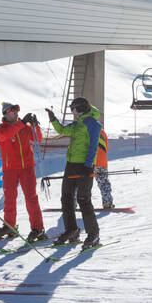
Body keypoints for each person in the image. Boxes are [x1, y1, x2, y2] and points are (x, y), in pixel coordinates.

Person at [45, 97, 102, 249]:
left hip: (84, 167)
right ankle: (72, 230)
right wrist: (53, 119)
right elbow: (63, 130)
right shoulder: (78, 123)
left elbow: (93, 146)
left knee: (84, 200)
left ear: (79, 109)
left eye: (73, 109)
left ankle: (93, 234)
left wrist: (88, 166)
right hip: (71, 165)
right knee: (66, 198)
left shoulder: (92, 123)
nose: (72, 113)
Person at [0, 100, 46, 243]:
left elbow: (37, 138)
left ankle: (38, 228)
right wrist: (22, 124)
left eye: (17, 111)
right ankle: (9, 226)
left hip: (26, 167)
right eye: (12, 111)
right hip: (10, 169)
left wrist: (35, 125)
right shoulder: (0, 129)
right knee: (9, 198)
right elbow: (5, 136)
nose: (16, 113)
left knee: (31, 198)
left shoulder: (24, 126)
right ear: (5, 114)